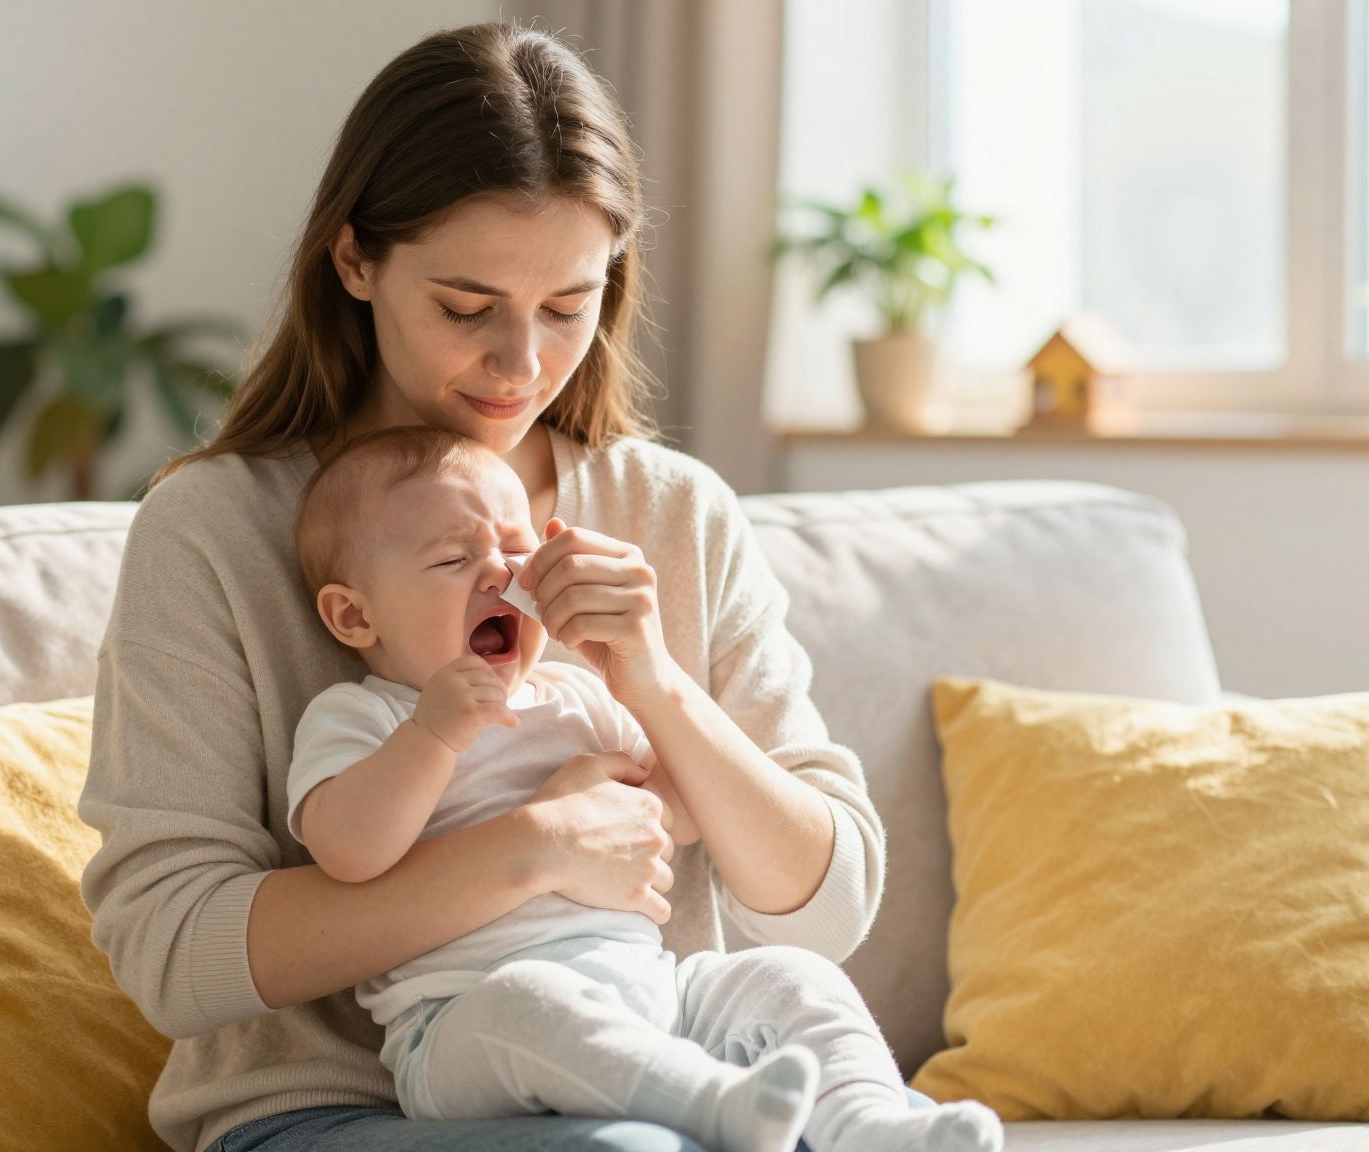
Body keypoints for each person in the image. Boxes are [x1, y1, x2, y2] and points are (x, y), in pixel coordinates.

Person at [78, 20, 918, 1152]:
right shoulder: (214, 531)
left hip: (669, 1064)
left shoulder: (674, 513)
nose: (520, 363)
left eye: (567, 307)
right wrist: (532, 848)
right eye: (467, 307)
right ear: (354, 260)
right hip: (323, 1112)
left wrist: (659, 685)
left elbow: (823, 906)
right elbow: (174, 956)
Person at [283, 425, 1001, 1152]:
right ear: (354, 614)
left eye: (516, 548)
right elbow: (349, 853)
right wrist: (433, 737)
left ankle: (874, 1126)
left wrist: (648, 682)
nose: (499, 574)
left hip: (652, 988)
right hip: (462, 1023)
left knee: (791, 978)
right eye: (452, 558)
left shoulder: (575, 695)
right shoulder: (362, 718)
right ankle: (715, 1105)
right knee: (531, 1007)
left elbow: (682, 813)